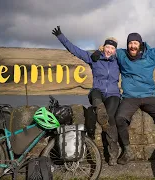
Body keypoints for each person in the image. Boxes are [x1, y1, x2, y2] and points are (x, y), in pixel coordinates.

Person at [92, 23, 155, 165]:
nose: (133, 46)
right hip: (130, 97)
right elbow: (109, 50)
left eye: (135, 43)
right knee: (120, 118)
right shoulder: (121, 55)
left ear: (140, 43)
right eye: (130, 43)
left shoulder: (151, 55)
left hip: (149, 95)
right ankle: (128, 151)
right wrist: (98, 52)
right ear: (127, 45)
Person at [52, 26, 121, 166]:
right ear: (103, 47)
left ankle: (113, 152)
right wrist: (61, 37)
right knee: (95, 95)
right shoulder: (94, 58)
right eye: (107, 47)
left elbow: (134, 55)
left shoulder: (119, 61)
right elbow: (75, 50)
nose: (109, 50)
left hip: (113, 94)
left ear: (115, 50)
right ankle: (100, 110)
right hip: (98, 91)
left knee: (110, 119)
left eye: (112, 48)